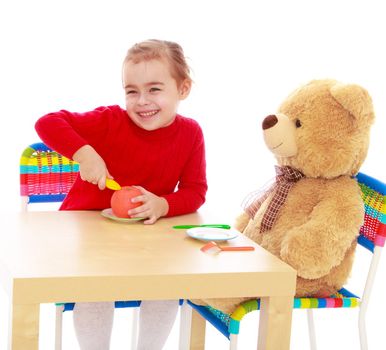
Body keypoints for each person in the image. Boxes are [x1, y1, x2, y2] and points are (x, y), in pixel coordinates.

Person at [35, 39, 207, 350]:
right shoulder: (110, 121)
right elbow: (47, 123)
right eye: (132, 91)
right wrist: (85, 154)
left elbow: (196, 191)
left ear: (183, 89)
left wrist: (163, 204)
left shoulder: (191, 133)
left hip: (147, 242)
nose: (142, 101)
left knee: (166, 286)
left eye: (155, 89)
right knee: (96, 290)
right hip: (88, 238)